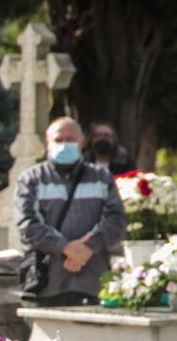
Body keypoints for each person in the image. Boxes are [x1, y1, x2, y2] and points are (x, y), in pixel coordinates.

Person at [15, 117, 127, 307]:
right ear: (47, 143)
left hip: (94, 283)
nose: (65, 144)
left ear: (82, 142)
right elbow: (27, 225)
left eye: (70, 139)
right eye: (59, 140)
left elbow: (116, 221)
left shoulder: (101, 177)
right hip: (47, 284)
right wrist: (65, 247)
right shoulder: (31, 178)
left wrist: (88, 247)